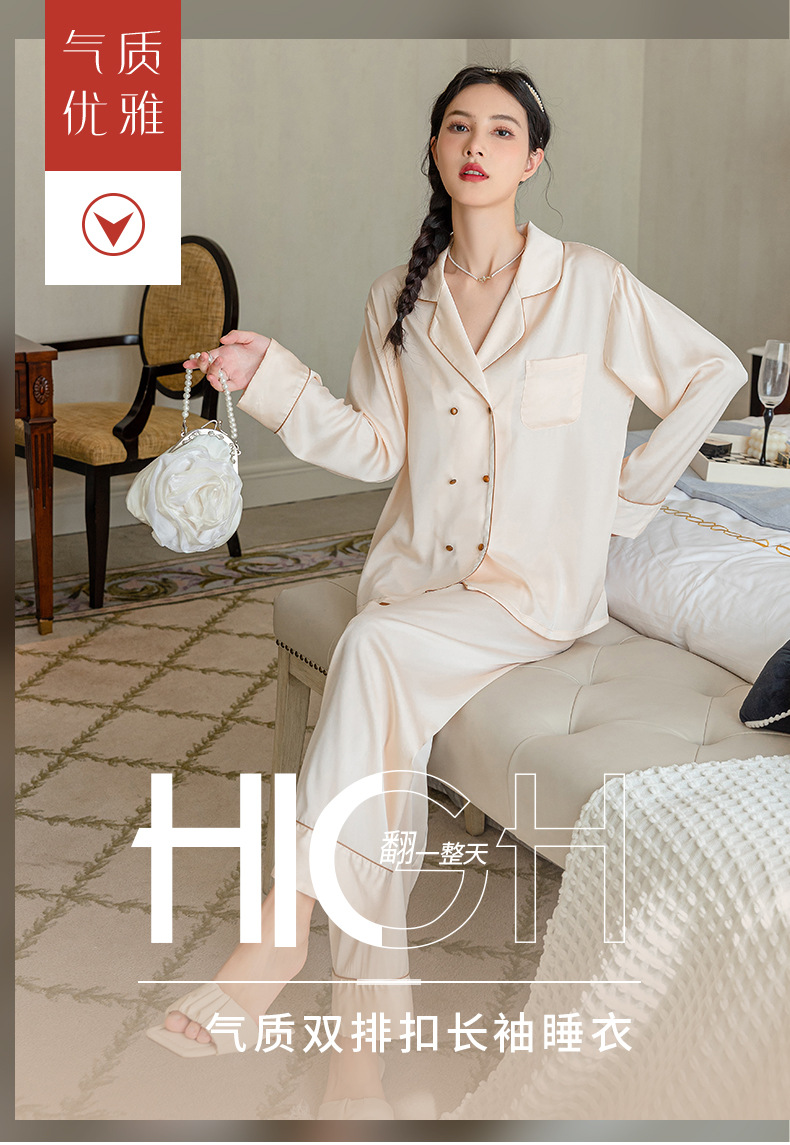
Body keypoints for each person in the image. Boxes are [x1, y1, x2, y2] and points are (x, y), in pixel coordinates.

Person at [145, 63, 746, 1118]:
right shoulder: (400, 294)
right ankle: (359, 1059)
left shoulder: (591, 284)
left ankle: (280, 932)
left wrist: (623, 500)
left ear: (534, 159)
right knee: (377, 744)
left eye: (503, 130)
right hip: (421, 576)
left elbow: (711, 374)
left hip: (531, 591)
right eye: (459, 126)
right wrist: (269, 375)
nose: (477, 144)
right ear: (434, 148)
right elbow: (376, 446)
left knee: (371, 649)